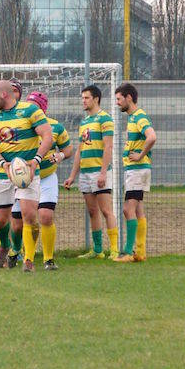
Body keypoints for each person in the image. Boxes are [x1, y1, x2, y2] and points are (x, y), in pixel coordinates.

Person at [0, 80, 53, 272]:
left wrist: (36, 161)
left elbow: (48, 136)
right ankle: (6, 245)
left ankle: (28, 259)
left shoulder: (30, 111)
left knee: (29, 214)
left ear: (4, 94)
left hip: (28, 172)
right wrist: (3, 164)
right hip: (3, 172)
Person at [9, 91, 72, 270]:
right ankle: (16, 250)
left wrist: (60, 155)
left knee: (45, 216)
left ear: (43, 108)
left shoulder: (55, 127)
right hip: (24, 180)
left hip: (46, 177)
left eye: (34, 106)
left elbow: (68, 150)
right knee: (17, 222)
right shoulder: (19, 126)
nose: (30, 109)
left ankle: (46, 259)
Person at [64, 84, 119, 260]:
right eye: (82, 98)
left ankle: (115, 249)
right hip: (85, 173)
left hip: (98, 171)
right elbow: (80, 150)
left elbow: (108, 146)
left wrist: (103, 172)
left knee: (106, 210)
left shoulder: (105, 119)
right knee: (92, 211)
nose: (83, 101)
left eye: (86, 98)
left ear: (96, 99)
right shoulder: (84, 122)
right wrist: (73, 176)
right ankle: (97, 250)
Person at [113, 83, 156, 263]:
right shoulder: (132, 118)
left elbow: (152, 136)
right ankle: (140, 252)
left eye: (119, 99)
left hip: (137, 170)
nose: (117, 103)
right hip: (136, 170)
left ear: (129, 98)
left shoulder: (139, 116)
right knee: (138, 210)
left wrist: (140, 155)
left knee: (127, 209)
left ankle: (128, 252)